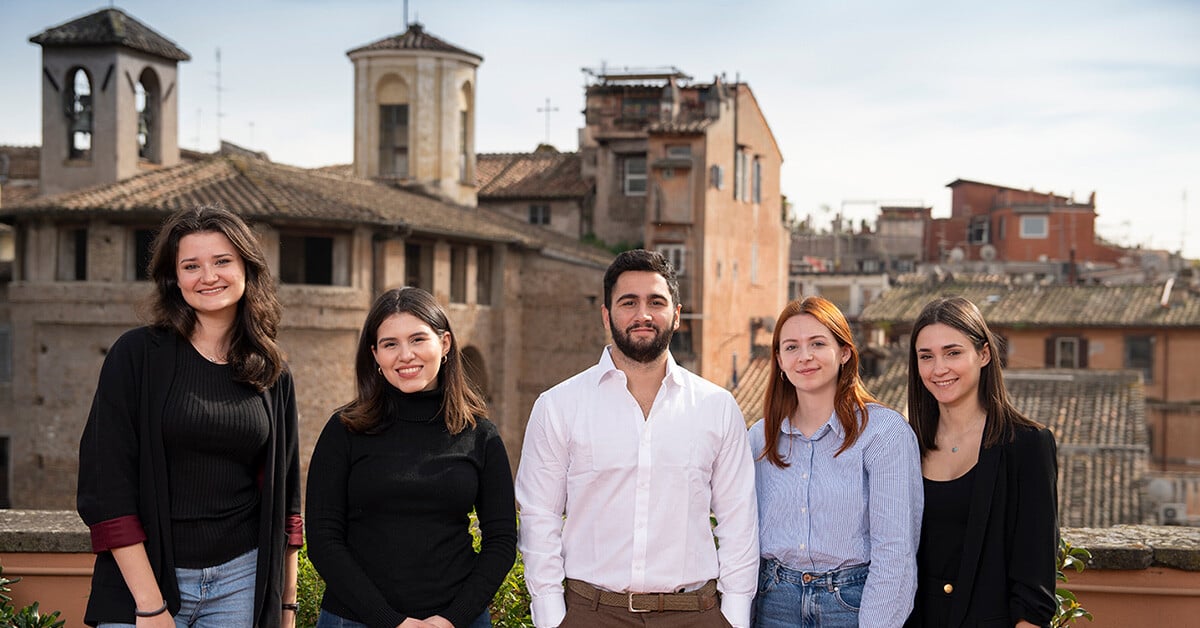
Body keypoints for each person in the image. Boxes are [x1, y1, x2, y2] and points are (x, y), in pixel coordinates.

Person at [76, 204, 303, 627]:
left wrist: (286, 608)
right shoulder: (136, 356)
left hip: (242, 582)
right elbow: (105, 485)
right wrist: (149, 604)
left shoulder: (272, 370)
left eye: (222, 261)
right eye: (191, 265)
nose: (208, 276)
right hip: (146, 581)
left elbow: (287, 496)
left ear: (246, 269)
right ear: (173, 278)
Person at [515, 249, 759, 628]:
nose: (642, 314)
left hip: (695, 614)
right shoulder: (558, 406)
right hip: (590, 613)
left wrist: (735, 615)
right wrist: (550, 616)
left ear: (676, 315)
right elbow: (539, 516)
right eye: (628, 302)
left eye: (656, 302)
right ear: (606, 315)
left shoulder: (717, 406)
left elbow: (738, 518)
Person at [305, 287, 516, 628]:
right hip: (356, 620)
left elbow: (502, 539)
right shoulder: (344, 430)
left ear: (444, 343)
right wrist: (390, 621)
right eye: (390, 344)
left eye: (418, 339)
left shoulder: (480, 435)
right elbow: (323, 539)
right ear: (374, 354)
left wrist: (452, 618)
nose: (405, 355)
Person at [748, 296, 922, 627]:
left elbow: (894, 551)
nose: (805, 356)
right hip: (775, 600)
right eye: (791, 347)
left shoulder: (883, 433)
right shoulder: (760, 438)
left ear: (844, 352)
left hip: (850, 602)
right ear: (780, 361)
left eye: (817, 343)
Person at [904, 296, 1058, 628]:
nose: (938, 368)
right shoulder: (904, 446)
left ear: (984, 354)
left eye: (953, 352)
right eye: (926, 356)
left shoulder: (1027, 445)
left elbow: (1035, 592)